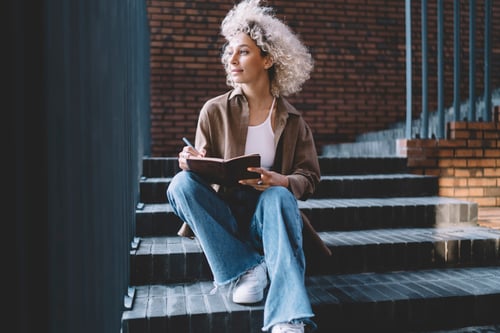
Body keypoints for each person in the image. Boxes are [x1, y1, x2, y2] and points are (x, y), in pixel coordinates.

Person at [167, 0, 324, 332]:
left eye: (243, 52)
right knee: (179, 185)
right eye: (230, 52)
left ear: (268, 59)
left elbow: (309, 178)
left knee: (279, 197)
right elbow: (199, 172)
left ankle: (287, 318)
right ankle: (246, 267)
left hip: (268, 219)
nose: (231, 59)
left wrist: (281, 180)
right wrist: (191, 163)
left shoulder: (293, 121)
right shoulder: (213, 111)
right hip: (225, 218)